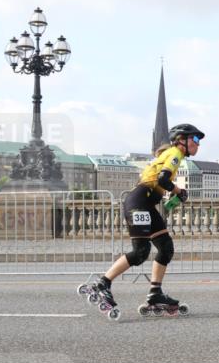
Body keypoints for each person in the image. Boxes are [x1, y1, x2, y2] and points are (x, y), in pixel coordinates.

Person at [79, 123, 204, 318]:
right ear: (181, 140)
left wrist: (173, 192)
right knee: (140, 252)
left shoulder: (173, 154)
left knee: (166, 248)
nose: (198, 143)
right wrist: (179, 190)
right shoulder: (175, 153)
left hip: (146, 203)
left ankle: (155, 293)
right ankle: (103, 283)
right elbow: (163, 179)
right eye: (194, 139)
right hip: (139, 202)